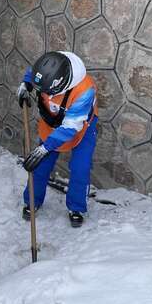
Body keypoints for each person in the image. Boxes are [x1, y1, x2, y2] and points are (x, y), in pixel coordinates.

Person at [17, 51, 98, 228]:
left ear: (61, 84)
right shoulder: (49, 66)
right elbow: (33, 74)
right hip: (51, 122)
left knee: (80, 168)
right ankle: (32, 201)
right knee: (39, 166)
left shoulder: (84, 91)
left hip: (81, 127)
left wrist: (44, 148)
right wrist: (25, 85)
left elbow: (70, 128)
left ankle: (76, 207)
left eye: (47, 91)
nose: (44, 94)